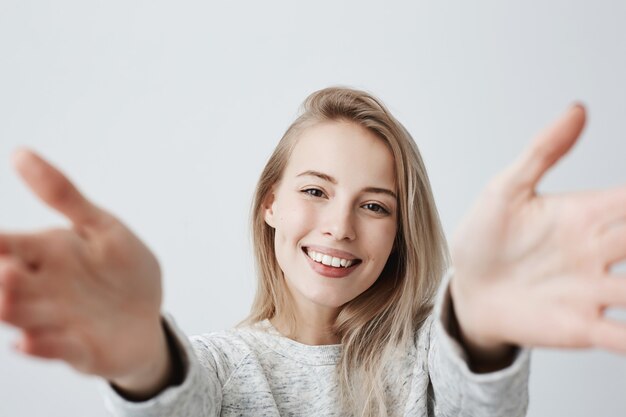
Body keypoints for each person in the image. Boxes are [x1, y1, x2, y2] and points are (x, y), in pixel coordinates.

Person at [1, 87, 624, 417]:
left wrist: (483, 326)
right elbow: (172, 403)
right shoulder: (220, 367)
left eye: (375, 205)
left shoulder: (431, 360)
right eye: (315, 191)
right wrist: (141, 356)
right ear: (270, 203)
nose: (340, 226)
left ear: (401, 232)